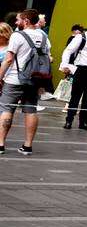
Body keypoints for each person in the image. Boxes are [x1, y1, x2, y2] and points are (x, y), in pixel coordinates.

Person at [0, 9, 50, 156]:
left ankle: (1, 144)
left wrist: (0, 77)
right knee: (31, 110)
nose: (16, 22)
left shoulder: (17, 35)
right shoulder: (43, 36)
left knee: (6, 109)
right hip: (34, 79)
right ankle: (27, 146)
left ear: (26, 21)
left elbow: (9, 59)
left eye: (18, 19)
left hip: (14, 79)